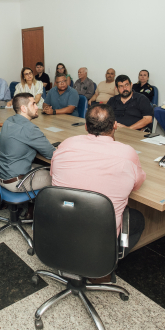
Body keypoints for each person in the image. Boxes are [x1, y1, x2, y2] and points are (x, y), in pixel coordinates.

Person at [51, 104, 145, 254]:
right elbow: (136, 186)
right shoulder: (128, 153)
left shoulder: (66, 144)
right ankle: (107, 257)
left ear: (86, 126)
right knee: (138, 218)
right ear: (115, 125)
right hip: (101, 232)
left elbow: (53, 174)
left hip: (62, 222)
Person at [0, 93, 54, 192]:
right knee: (60, 176)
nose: (37, 107)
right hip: (17, 182)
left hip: (0, 176)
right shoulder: (30, 129)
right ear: (23, 108)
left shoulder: (8, 121)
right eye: (33, 104)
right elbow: (51, 154)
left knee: (44, 167)